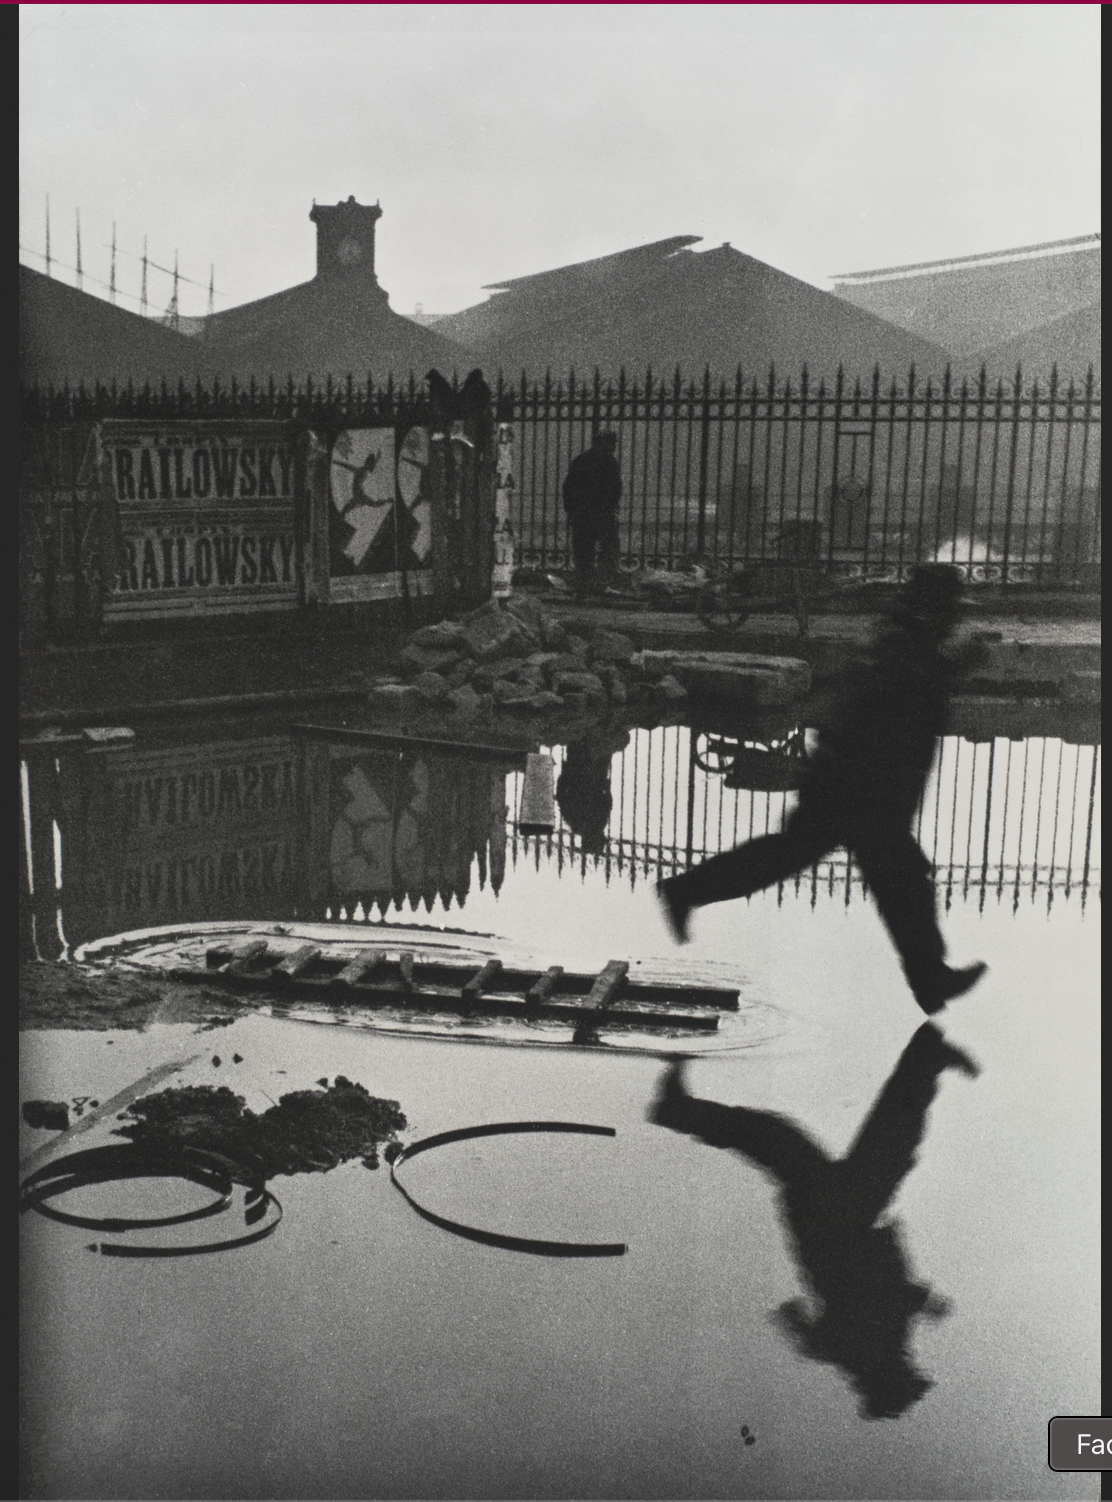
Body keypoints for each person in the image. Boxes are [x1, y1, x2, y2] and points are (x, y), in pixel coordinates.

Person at [657, 564, 987, 1015]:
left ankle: (930, 979)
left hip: (858, 783)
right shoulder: (903, 644)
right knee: (897, 878)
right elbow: (898, 695)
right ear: (934, 610)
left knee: (838, 865)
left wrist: (949, 665)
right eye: (950, 611)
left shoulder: (903, 637)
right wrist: (952, 664)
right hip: (859, 786)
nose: (954, 620)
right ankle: (930, 979)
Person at [648, 1024, 979, 1419]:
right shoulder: (872, 1345)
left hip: (834, 1223)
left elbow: (844, 1317)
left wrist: (923, 1305)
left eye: (909, 1374)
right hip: (844, 1218)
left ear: (891, 1376)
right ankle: (677, 1109)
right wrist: (924, 1304)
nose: (913, 1365)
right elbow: (872, 1306)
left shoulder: (860, 1348)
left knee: (844, 1142)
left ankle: (677, 1109)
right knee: (872, 1141)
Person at [562, 431, 623, 598]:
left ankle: (583, 585)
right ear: (605, 444)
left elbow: (567, 487)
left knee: (583, 551)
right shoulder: (610, 462)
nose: (614, 447)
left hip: (581, 514)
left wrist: (571, 510)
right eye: (612, 443)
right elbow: (616, 489)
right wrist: (612, 507)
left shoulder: (580, 461)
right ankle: (602, 584)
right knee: (608, 549)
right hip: (603, 513)